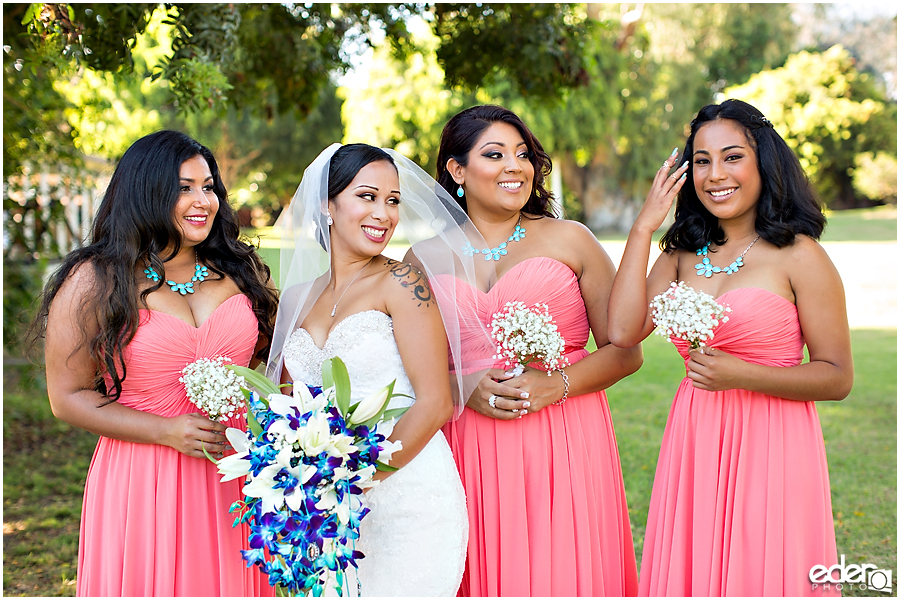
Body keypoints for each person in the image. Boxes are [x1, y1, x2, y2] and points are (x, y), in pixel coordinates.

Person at [608, 99, 852, 596]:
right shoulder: (681, 254)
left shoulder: (801, 256)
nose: (715, 174)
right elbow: (623, 332)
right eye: (702, 160)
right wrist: (642, 228)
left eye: (732, 157)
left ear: (763, 161)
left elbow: (837, 376)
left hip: (774, 442)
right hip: (695, 438)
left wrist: (743, 375)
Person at [32, 131, 279, 595]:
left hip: (235, 473)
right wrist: (164, 431)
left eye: (208, 187)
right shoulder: (97, 280)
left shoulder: (237, 270)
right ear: (146, 191)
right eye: (183, 188)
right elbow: (66, 398)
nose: (202, 200)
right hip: (144, 475)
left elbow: (270, 365)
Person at [425, 104, 642, 596]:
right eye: (495, 154)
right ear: (457, 170)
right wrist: (464, 385)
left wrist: (556, 384)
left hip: (563, 435)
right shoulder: (424, 258)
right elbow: (412, 366)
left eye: (522, 155)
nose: (514, 166)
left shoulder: (572, 240)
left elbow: (626, 351)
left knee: (562, 571)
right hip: (468, 445)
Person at [270, 143, 472, 596]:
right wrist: (306, 486)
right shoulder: (298, 297)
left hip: (409, 495)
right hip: (323, 512)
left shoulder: (402, 282)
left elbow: (436, 402)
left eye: (393, 200)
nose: (383, 213)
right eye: (367, 196)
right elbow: (289, 409)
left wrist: (353, 483)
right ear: (327, 204)